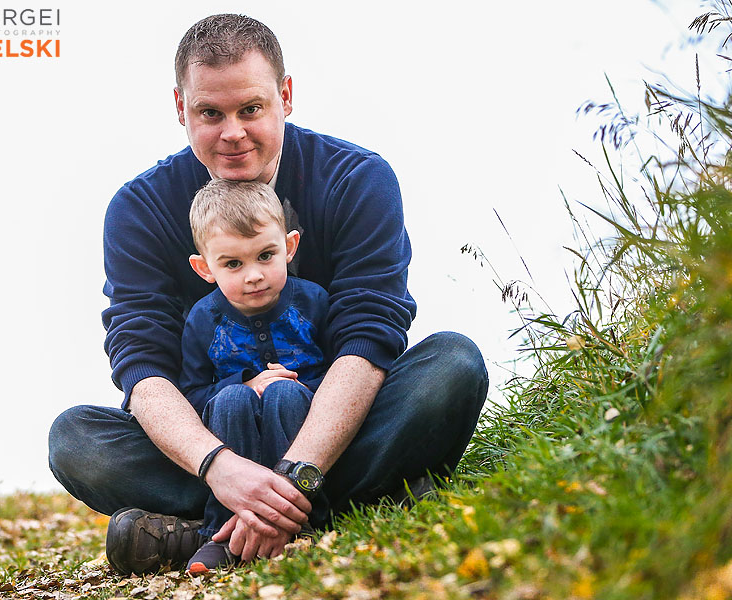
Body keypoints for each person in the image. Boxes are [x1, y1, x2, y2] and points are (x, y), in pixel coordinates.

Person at [48, 13, 488, 575]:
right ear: (182, 110)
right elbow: (142, 365)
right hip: (214, 440)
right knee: (76, 440)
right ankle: (345, 508)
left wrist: (296, 471)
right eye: (211, 113)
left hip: (333, 428)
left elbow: (370, 334)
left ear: (284, 96)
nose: (233, 132)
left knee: (451, 364)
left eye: (250, 109)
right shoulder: (139, 209)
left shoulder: (357, 178)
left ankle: (214, 536)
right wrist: (221, 468)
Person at [181, 178, 330, 572]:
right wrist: (242, 384)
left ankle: (306, 522)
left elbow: (342, 381)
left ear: (290, 246)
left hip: (302, 429)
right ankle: (221, 534)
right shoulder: (202, 320)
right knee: (231, 399)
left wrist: (300, 384)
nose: (254, 275)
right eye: (233, 264)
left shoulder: (313, 302)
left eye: (266, 256)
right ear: (204, 268)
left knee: (284, 394)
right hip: (235, 437)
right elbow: (192, 395)